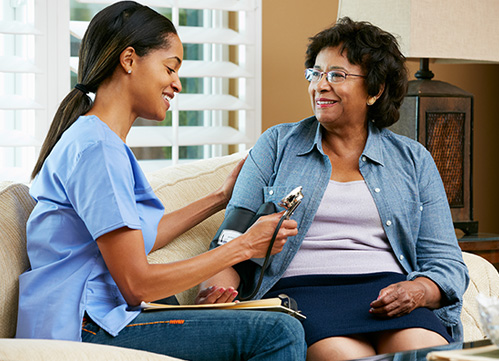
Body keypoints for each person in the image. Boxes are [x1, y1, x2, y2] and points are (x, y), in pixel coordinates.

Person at [15, 2, 307, 360]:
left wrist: (220, 197)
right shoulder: (97, 151)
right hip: (81, 329)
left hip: (95, 319)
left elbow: (141, 239)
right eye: (170, 68)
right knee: (279, 331)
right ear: (129, 60)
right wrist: (244, 246)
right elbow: (137, 284)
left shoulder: (99, 142)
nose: (177, 83)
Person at [200, 17, 469, 361]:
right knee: (342, 355)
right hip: (304, 293)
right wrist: (215, 289)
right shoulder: (277, 144)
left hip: (388, 295)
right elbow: (230, 239)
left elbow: (446, 262)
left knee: (423, 352)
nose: (319, 85)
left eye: (337, 75)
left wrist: (418, 290)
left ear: (375, 90)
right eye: (315, 73)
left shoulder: (413, 159)